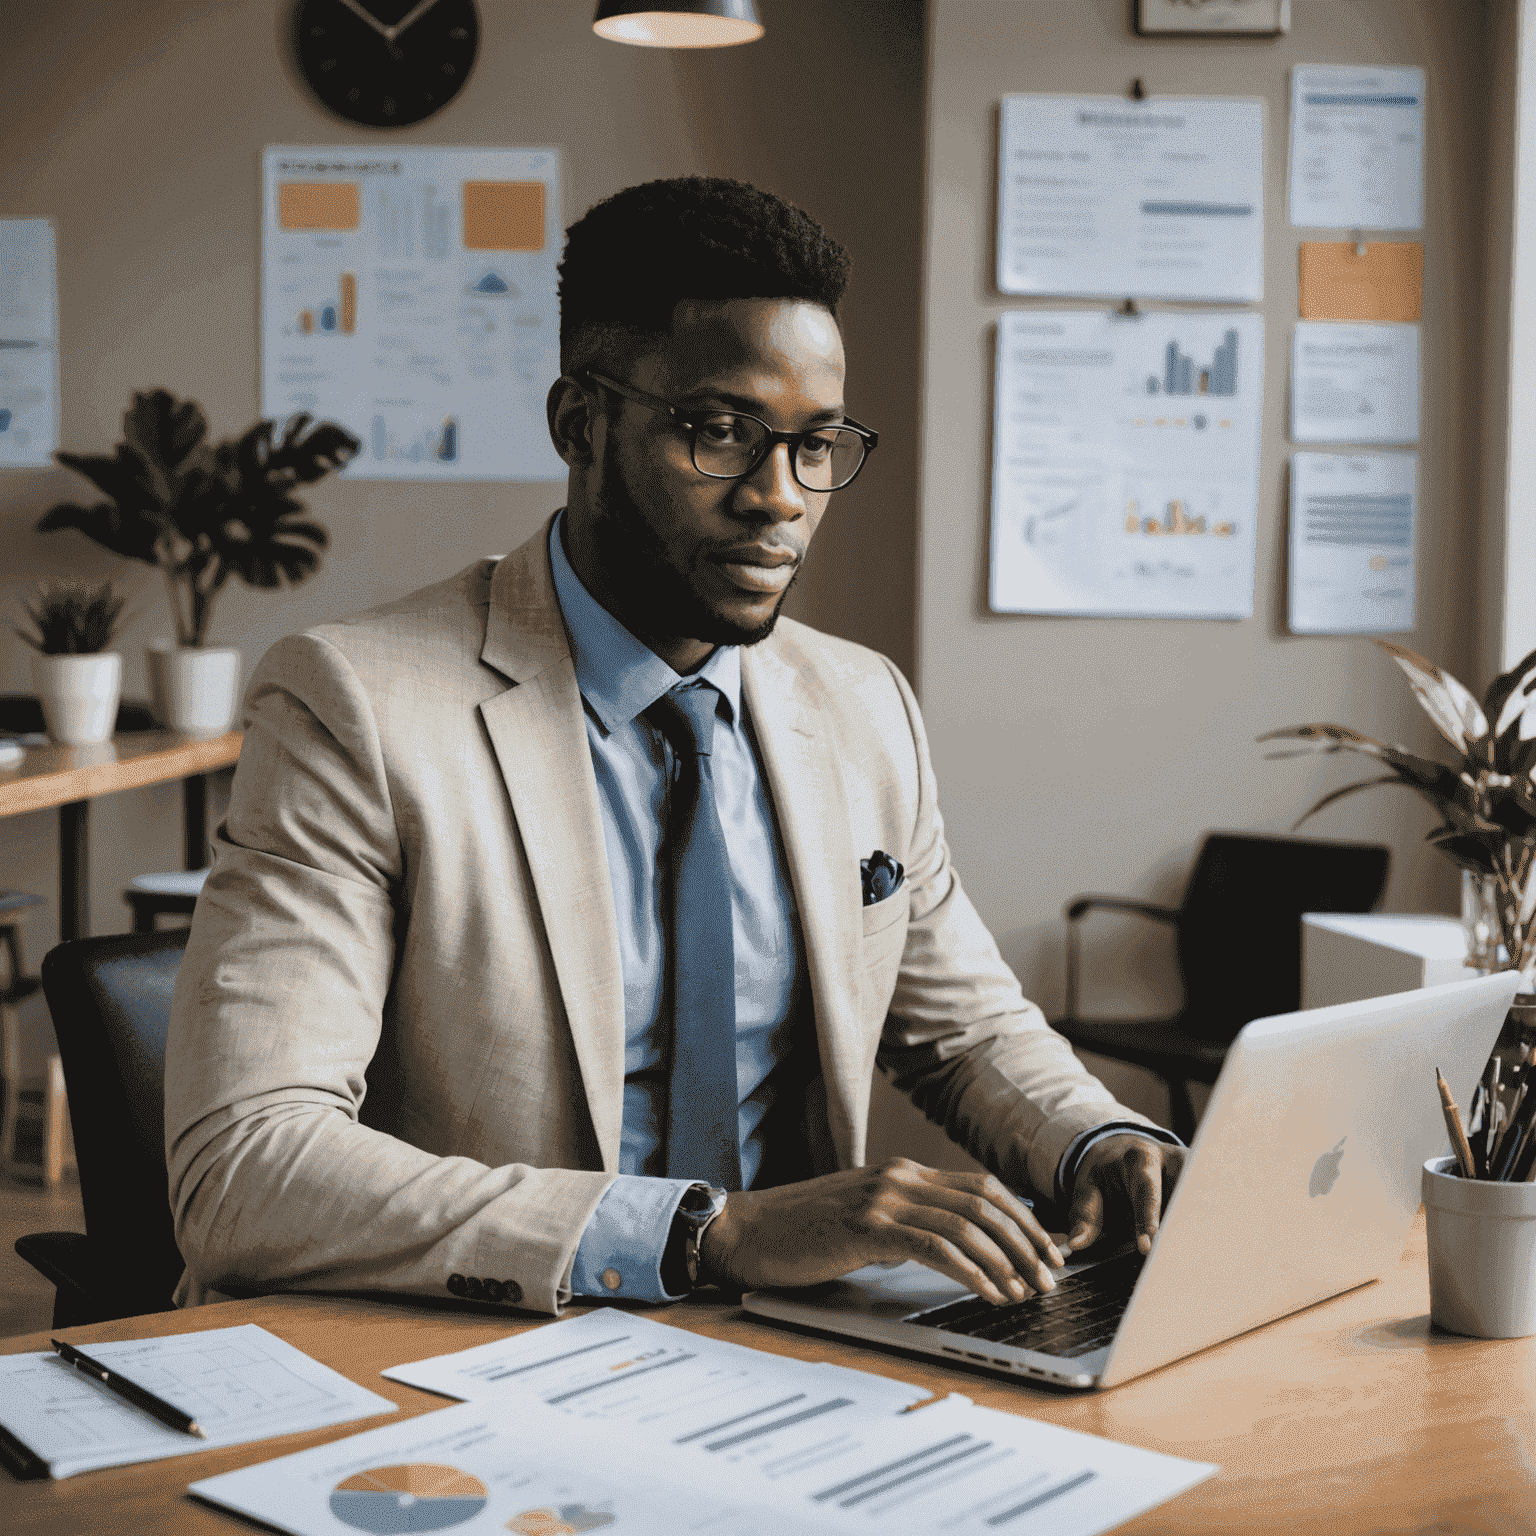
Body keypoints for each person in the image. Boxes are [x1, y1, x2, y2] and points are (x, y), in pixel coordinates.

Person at [165, 177, 1183, 1317]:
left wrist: (1097, 1139)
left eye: (815, 445)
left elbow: (963, 1028)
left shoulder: (862, 705)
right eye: (721, 433)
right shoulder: (355, 704)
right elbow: (245, 1165)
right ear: (579, 424)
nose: (780, 499)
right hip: (464, 1359)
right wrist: (711, 1233)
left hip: (783, 1363)